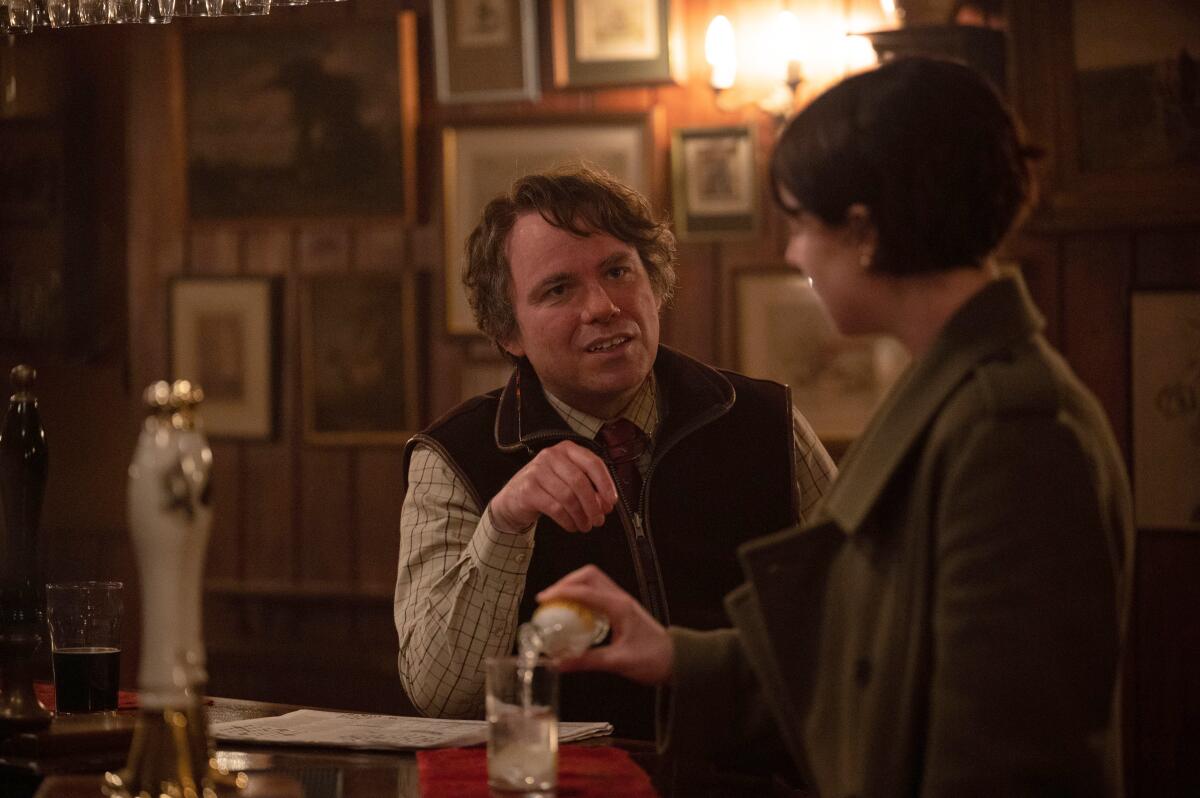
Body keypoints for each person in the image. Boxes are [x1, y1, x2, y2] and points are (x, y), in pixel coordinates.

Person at [539, 57, 1134, 795]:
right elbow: (871, 658)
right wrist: (672, 654)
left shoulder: (1011, 430)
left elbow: (1007, 758)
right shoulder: (953, 397)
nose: (792, 254)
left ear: (863, 233)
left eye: (797, 223)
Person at [393, 165, 836, 739]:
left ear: (655, 283)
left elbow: (871, 608)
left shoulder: (762, 419)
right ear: (510, 334)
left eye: (617, 271)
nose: (602, 306)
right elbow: (440, 693)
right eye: (558, 290)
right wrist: (504, 523)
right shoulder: (454, 456)